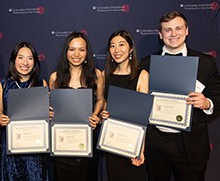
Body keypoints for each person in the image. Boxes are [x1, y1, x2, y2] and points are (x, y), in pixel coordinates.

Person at [140, 11, 220, 181]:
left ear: (187, 30)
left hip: (190, 145)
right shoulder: (146, 63)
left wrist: (207, 103)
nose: (174, 34)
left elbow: (218, 97)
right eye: (168, 30)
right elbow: (138, 102)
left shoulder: (205, 62)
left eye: (178, 28)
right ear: (161, 35)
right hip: (156, 143)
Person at [49, 32, 104, 181]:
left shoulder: (96, 75)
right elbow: (51, 105)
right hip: (63, 142)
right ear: (66, 51)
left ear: (87, 52)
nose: (76, 54)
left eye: (81, 49)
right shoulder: (55, 77)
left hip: (87, 139)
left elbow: (100, 99)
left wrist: (95, 114)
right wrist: (49, 112)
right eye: (72, 49)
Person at [0, 41, 50, 180]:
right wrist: (0, 117)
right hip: (13, 145)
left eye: (30, 58)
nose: (25, 63)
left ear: (35, 62)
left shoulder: (41, 84)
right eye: (21, 57)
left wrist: (48, 113)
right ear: (14, 60)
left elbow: (46, 112)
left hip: (35, 146)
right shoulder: (4, 85)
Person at [100, 30, 149, 181]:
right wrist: (103, 115)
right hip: (112, 142)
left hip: (131, 143)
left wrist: (140, 149)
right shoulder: (104, 75)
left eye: (121, 45)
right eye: (112, 46)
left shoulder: (142, 75)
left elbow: (143, 117)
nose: (117, 50)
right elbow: (104, 107)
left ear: (131, 48)